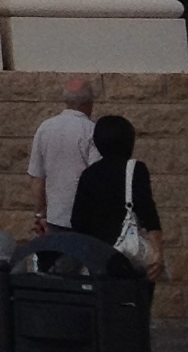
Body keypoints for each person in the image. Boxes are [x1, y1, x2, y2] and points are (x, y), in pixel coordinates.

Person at [70, 112, 163, 279]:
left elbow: (78, 221)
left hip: (98, 256)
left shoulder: (88, 174)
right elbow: (147, 211)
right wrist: (157, 251)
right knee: (134, 301)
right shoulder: (136, 170)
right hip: (130, 256)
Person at [26, 77, 97, 234]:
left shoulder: (45, 128)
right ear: (88, 102)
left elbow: (36, 177)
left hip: (54, 218)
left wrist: (39, 214)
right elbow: (96, 176)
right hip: (85, 220)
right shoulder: (91, 131)